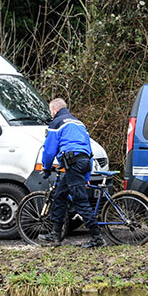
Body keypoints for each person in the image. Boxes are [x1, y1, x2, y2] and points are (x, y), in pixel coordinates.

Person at [37, 98, 103, 248]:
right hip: (84, 162)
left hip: (73, 163)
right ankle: (55, 235)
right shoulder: (79, 123)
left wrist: (46, 168)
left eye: (50, 111)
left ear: (54, 110)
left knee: (80, 200)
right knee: (60, 195)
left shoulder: (57, 123)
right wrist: (86, 176)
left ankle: (97, 237)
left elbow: (49, 150)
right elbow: (88, 151)